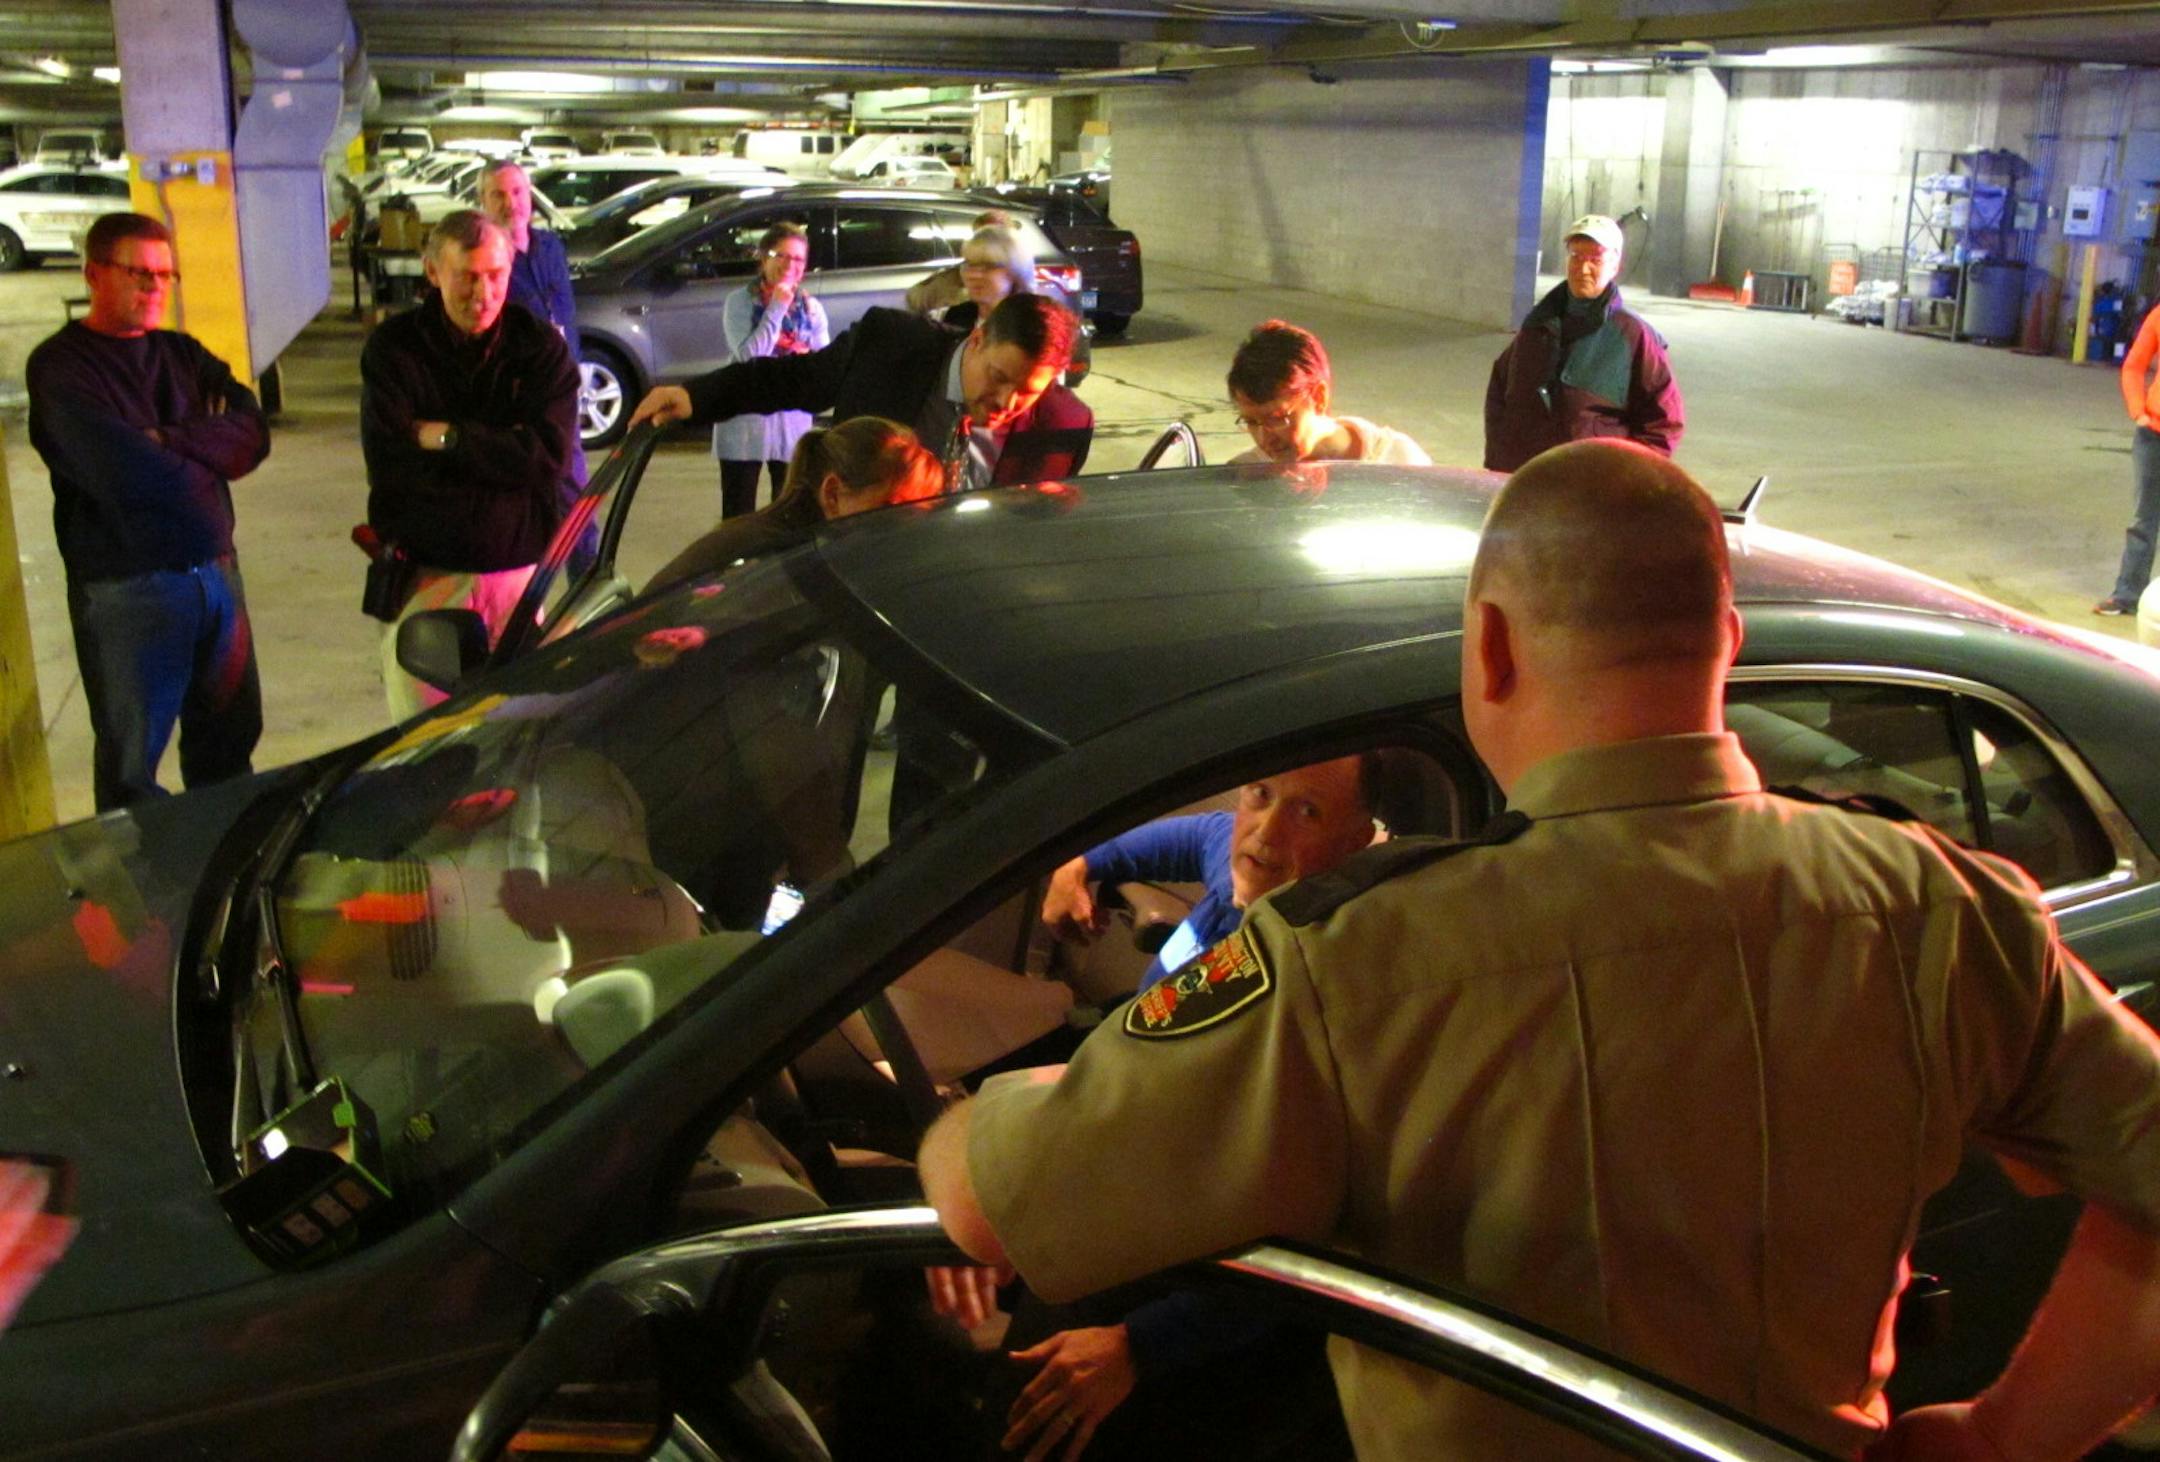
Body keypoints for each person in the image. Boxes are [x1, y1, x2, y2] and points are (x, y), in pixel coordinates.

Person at [922, 438, 2160, 1461]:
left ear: (1494, 648)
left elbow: (992, 1206)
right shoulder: (1938, 906)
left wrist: (974, 1111)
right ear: (1726, 641)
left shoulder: (1363, 959)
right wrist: (2006, 1436)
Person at [26, 211, 270, 810]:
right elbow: (125, 471)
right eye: (140, 272)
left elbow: (252, 434)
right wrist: (202, 451)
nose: (155, 287)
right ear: (93, 273)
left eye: (166, 275)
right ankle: (146, 893)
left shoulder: (183, 354)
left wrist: (166, 438)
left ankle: (217, 868)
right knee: (132, 768)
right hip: (129, 592)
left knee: (229, 747)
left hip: (217, 575)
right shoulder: (61, 369)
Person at [361, 208, 578, 720]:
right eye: (467, 276)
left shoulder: (539, 349)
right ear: (433, 272)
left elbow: (547, 458)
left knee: (523, 731)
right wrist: (505, 452)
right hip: (429, 581)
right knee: (425, 740)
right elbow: (394, 466)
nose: (483, 293)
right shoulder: (394, 351)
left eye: (496, 275)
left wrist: (449, 438)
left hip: (518, 580)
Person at [629, 291, 1091, 489]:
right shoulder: (891, 346)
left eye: (1027, 391)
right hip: (863, 573)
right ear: (976, 339)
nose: (1007, 403)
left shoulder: (1063, 427)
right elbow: (794, 379)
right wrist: (695, 397)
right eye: (998, 377)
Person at [1042, 755, 1380, 994]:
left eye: (1307, 812)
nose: (1266, 831)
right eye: (1262, 792)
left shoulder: (1312, 974)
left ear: (1353, 843)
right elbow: (1131, 847)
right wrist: (1074, 869)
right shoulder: (1235, 854)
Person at [1483, 214, 1684, 473]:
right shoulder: (1538, 324)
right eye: (1576, 257)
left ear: (1615, 266)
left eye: (1595, 259)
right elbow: (1500, 386)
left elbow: (1665, 422)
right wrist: (1500, 454)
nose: (1583, 268)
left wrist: (1626, 475)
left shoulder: (1634, 337)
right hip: (1522, 478)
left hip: (1587, 486)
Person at [648, 415, 941, 590]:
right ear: (832, 494)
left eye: (917, 515)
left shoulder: (813, 551)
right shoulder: (772, 567)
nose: (905, 533)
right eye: (892, 510)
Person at [479, 159, 589, 501]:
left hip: (564, 381)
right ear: (483, 201)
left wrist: (577, 363)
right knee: (534, 480)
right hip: (520, 392)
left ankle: (585, 553)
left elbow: (566, 310)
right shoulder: (486, 260)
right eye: (498, 194)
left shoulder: (551, 247)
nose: (510, 203)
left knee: (573, 477)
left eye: (517, 191)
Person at [710, 222, 828, 520]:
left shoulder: (811, 309)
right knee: (738, 516)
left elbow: (823, 363)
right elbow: (750, 356)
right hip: (744, 422)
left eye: (799, 259)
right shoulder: (739, 302)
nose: (790, 265)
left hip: (791, 423)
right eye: (782, 255)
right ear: (763, 258)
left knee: (786, 513)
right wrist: (776, 307)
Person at [1225, 321, 1429, 466]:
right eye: (1251, 422)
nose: (1264, 439)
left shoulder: (1399, 460)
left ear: (1319, 398)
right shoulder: (1245, 476)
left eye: (1277, 419)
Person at [2097, 298, 2160, 616]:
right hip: (2154, 435)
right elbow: (2134, 366)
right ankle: (2128, 594)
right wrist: (2138, 411)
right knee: (2143, 519)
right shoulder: (2159, 317)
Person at [905, 209, 1016, 316]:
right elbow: (917, 298)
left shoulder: (1023, 286)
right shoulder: (951, 281)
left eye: (994, 238)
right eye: (981, 238)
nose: (976, 275)